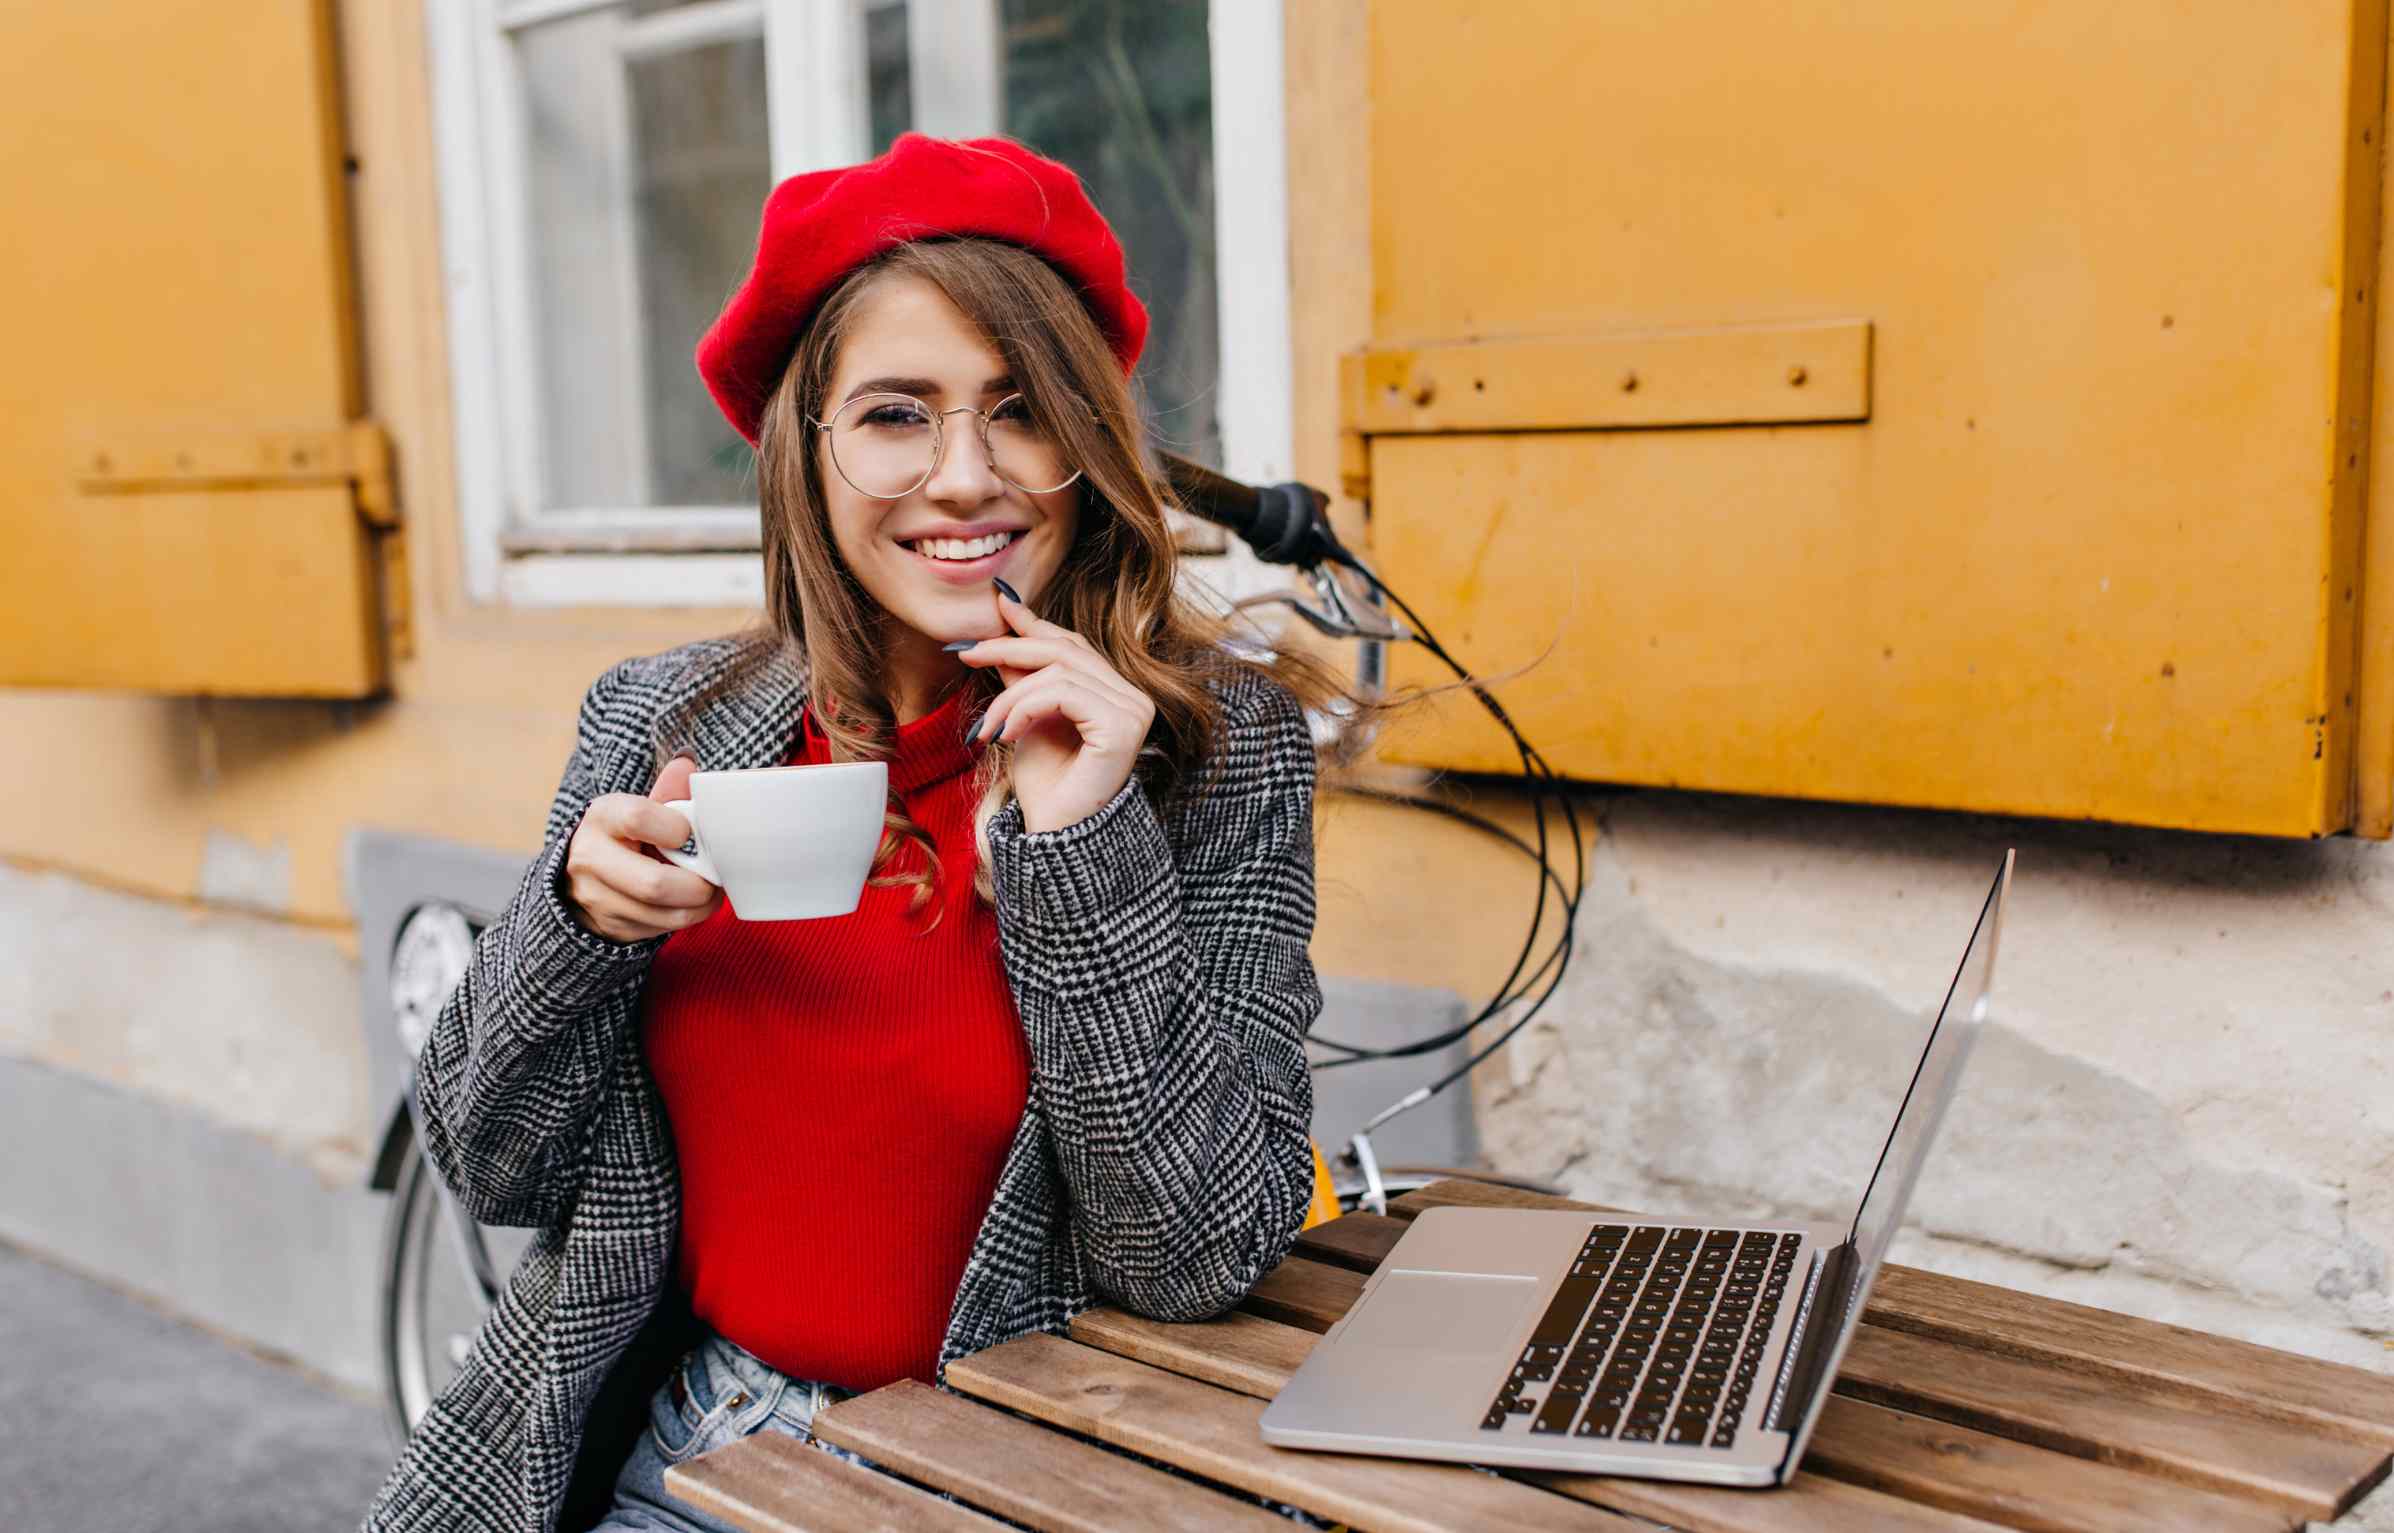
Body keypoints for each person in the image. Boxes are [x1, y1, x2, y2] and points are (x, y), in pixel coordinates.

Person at [361, 133, 1359, 1533]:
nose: (965, 476)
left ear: (1087, 446)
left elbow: (1190, 1253)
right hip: (697, 1454)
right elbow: (494, 1165)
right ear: (806, 454)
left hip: (1017, 1477)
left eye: (1022, 410)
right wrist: (572, 932)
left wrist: (1083, 847)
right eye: (898, 414)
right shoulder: (661, 719)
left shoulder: (1211, 752)